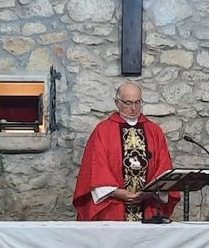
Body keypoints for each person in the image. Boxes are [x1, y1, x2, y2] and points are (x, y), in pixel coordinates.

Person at [73, 82, 180, 222]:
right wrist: (116, 192)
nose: (134, 108)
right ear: (117, 103)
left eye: (137, 102)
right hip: (113, 207)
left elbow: (163, 166)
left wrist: (149, 192)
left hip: (147, 205)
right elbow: (95, 168)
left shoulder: (154, 131)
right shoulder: (104, 130)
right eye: (128, 103)